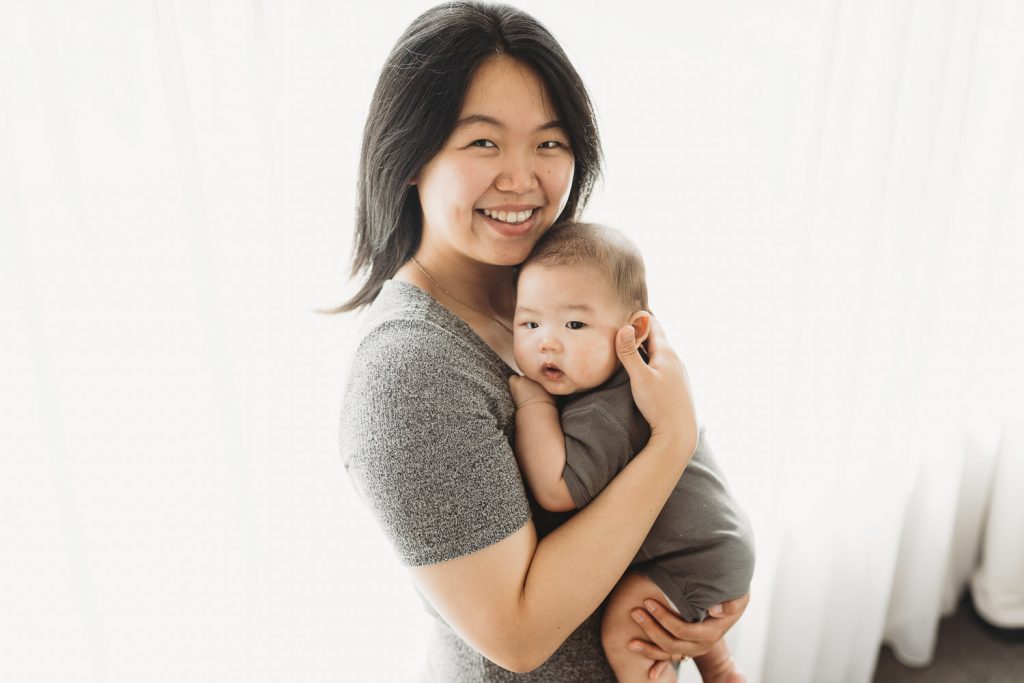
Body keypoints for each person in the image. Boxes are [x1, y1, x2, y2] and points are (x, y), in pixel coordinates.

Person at [335, 3, 749, 680]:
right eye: (483, 143)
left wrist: (709, 567)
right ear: (411, 155)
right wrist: (674, 441)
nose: (523, 179)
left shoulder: (558, 281)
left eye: (550, 142)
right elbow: (518, 632)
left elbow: (640, 430)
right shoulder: (408, 377)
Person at [509, 222, 755, 683]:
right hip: (712, 542)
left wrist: (533, 403)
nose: (548, 340)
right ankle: (720, 669)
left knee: (631, 626)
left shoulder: (603, 414)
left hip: (693, 555)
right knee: (661, 599)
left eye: (575, 324)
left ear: (634, 330)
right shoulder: (645, 381)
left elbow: (557, 489)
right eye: (529, 322)